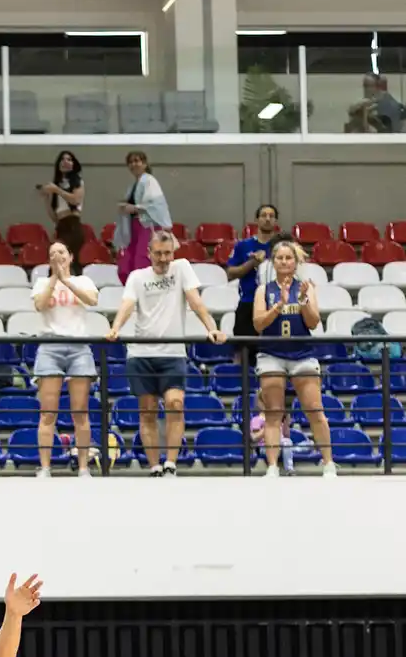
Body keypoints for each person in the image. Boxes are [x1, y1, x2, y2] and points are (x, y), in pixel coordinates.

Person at [107, 229, 225, 477]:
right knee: (147, 410)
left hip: (172, 353)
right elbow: (127, 305)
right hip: (141, 354)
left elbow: (195, 301)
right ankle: (154, 466)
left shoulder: (181, 268)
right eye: (158, 253)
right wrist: (116, 327)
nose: (163, 258)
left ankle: (171, 463)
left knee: (175, 403)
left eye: (167, 253)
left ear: (174, 252)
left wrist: (212, 329)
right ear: (149, 253)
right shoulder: (137, 277)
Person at [253, 240, 339, 478]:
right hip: (271, 354)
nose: (284, 262)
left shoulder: (306, 287)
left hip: (302, 353)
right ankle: (272, 467)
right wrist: (278, 306)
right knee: (273, 412)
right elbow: (258, 323)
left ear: (296, 262)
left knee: (314, 409)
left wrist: (302, 302)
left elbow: (313, 322)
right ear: (273, 261)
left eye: (288, 258)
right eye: (279, 258)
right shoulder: (263, 290)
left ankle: (329, 463)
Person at [30, 240, 99, 478]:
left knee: (80, 412)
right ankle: (46, 467)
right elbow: (40, 304)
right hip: (50, 347)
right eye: (52, 254)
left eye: (61, 252)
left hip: (79, 348)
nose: (57, 256)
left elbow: (91, 300)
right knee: (48, 412)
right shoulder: (41, 283)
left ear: (70, 257)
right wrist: (54, 278)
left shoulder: (83, 281)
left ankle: (83, 467)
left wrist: (66, 280)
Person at [225, 203, 281, 371]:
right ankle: (238, 390)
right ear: (257, 220)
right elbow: (231, 273)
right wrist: (253, 262)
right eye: (264, 215)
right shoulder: (243, 246)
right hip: (248, 304)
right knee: (242, 351)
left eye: (271, 216)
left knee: (273, 352)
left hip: (275, 305)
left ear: (276, 220)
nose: (268, 219)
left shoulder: (281, 247)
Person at [113, 151, 172, 284]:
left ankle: (145, 288)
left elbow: (155, 205)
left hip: (148, 226)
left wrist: (133, 208)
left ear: (144, 164)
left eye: (137, 161)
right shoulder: (133, 186)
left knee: (142, 259)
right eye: (131, 162)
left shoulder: (150, 181)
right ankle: (133, 290)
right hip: (134, 227)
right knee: (128, 261)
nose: (134, 164)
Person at [39, 150, 85, 267]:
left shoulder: (77, 182)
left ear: (73, 164)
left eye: (69, 159)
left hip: (72, 226)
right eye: (62, 159)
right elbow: (55, 217)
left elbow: (75, 200)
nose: (65, 162)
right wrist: (46, 199)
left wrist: (57, 190)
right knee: (59, 264)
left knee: (63, 262)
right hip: (61, 226)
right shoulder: (57, 185)